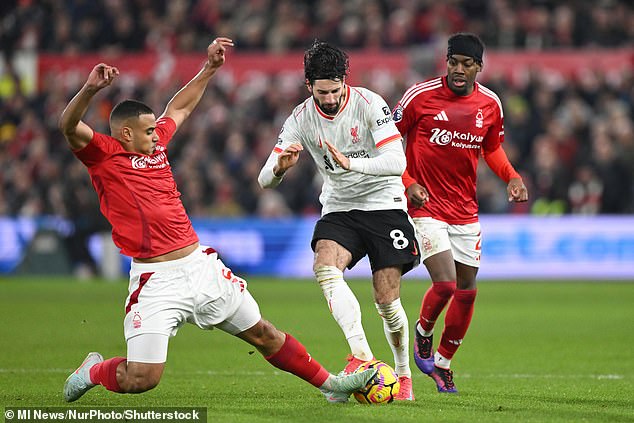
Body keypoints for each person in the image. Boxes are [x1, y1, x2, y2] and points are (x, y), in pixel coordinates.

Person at [59, 37, 376, 404]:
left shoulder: (156, 145)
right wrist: (89, 89)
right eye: (148, 131)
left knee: (264, 334)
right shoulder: (103, 155)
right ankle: (93, 370)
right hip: (156, 279)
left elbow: (179, 108)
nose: (156, 134)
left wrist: (209, 68)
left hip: (199, 266)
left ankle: (330, 386)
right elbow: (68, 127)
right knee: (141, 378)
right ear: (125, 133)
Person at [258, 40, 419, 401]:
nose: (329, 99)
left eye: (334, 90)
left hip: (384, 204)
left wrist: (352, 163)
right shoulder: (300, 118)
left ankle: (404, 374)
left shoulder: (369, 104)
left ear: (345, 82)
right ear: (308, 86)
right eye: (321, 92)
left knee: (386, 300)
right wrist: (280, 170)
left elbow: (397, 162)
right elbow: (263, 179)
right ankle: (361, 358)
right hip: (339, 208)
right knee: (325, 265)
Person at [392, 33, 528, 393]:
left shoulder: (490, 104)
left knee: (467, 289)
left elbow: (492, 149)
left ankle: (443, 364)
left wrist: (511, 177)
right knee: (447, 282)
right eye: (453, 62)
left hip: (465, 210)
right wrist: (407, 183)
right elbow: (387, 146)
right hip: (424, 206)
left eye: (467, 64)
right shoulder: (418, 97)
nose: (458, 70)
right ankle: (423, 331)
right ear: (446, 62)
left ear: (478, 68)